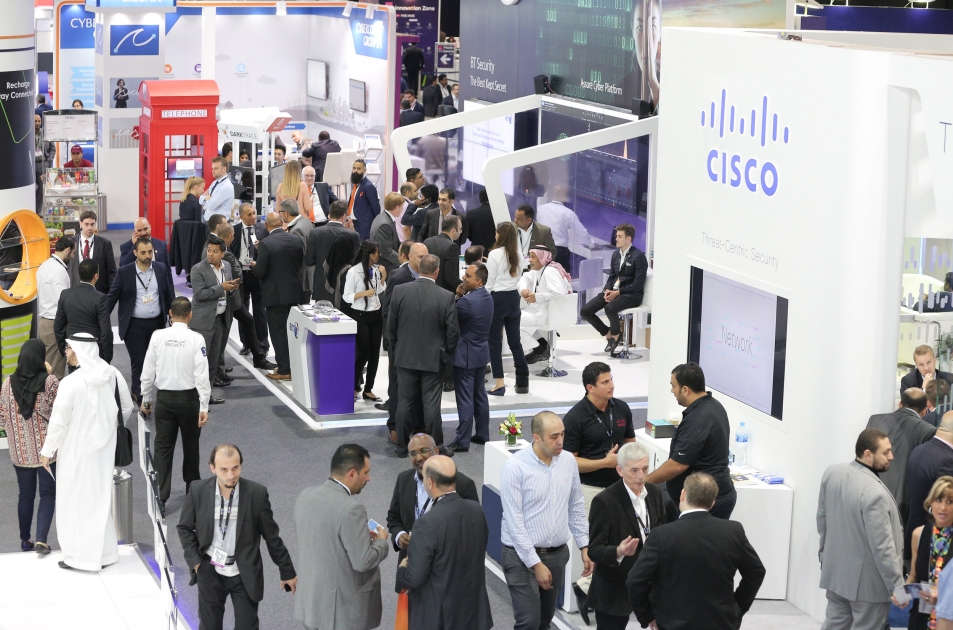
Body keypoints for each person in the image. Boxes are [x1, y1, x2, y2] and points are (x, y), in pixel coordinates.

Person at [40, 332, 135, 571]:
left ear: (80, 350)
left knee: (74, 501)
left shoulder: (70, 383)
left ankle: (79, 557)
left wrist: (47, 450)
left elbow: (59, 422)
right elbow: (126, 408)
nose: (66, 352)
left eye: (69, 348)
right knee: (99, 500)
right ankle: (105, 554)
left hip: (75, 452)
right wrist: (107, 431)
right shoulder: (113, 375)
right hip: (104, 451)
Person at [178, 444, 297, 629]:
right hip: (210, 570)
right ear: (212, 468)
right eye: (224, 469)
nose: (231, 475)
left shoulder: (256, 494)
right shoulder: (197, 490)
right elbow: (184, 527)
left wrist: (287, 570)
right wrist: (195, 562)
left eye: (235, 468)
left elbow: (272, 537)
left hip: (244, 573)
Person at [627, 473, 765, 630]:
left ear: (683, 494)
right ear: (713, 501)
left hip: (672, 622)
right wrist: (738, 608)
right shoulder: (734, 531)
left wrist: (647, 616)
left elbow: (635, 581)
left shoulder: (661, 535)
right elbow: (756, 572)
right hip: (721, 621)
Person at [500, 411, 592, 630]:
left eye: (562, 434)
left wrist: (585, 545)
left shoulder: (568, 461)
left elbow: (576, 505)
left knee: (544, 620)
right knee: (529, 622)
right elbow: (515, 522)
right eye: (554, 436)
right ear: (536, 437)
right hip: (520, 556)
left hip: (557, 555)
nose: (560, 441)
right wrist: (536, 564)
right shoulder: (515, 467)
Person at [818, 428, 912, 629]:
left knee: (835, 625)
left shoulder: (832, 473)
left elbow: (822, 523)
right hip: (869, 588)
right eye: (886, 452)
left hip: (835, 575)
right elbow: (883, 548)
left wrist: (824, 558)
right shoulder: (875, 493)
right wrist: (898, 588)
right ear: (868, 454)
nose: (891, 456)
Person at [294, 444, 389, 630]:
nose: (368, 478)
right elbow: (363, 561)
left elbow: (326, 538)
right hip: (341, 614)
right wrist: (381, 542)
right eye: (366, 472)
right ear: (352, 474)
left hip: (312, 604)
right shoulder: (352, 509)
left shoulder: (304, 496)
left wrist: (358, 536)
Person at [395, 455, 493, 630]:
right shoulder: (477, 510)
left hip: (441, 618)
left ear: (429, 483)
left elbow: (414, 577)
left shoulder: (426, 523)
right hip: (474, 613)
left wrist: (402, 570)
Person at [583, 442, 667, 629]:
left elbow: (662, 532)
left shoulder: (654, 493)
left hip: (649, 585)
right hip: (615, 589)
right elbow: (594, 550)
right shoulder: (604, 501)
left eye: (645, 469)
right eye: (634, 470)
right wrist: (618, 551)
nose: (641, 476)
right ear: (620, 470)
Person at [139, 297, 211, 511]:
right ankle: (192, 491)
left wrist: (146, 397)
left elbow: (148, 369)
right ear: (190, 315)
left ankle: (160, 497)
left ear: (170, 313)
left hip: (165, 400)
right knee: (191, 446)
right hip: (189, 400)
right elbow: (202, 375)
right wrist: (204, 405)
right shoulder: (196, 339)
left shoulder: (157, 336)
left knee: (162, 448)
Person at [386, 254, 459, 457]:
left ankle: (402, 447)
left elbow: (391, 327)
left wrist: (397, 350)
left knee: (404, 403)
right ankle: (436, 447)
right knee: (431, 405)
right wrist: (444, 355)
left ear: (419, 268)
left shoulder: (400, 291)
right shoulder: (446, 296)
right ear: (437, 271)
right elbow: (453, 333)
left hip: (405, 357)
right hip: (433, 360)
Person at [646, 363, 736, 518]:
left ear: (686, 390)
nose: (672, 391)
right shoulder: (714, 406)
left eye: (673, 386)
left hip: (703, 502)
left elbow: (677, 464)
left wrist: (645, 483)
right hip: (711, 495)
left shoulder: (698, 419)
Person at [0, 339, 59, 555]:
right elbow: (58, 414)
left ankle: (25, 540)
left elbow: (2, 418)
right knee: (48, 494)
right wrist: (48, 374)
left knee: (25, 495)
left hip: (20, 451)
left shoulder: (7, 383)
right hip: (47, 451)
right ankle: (42, 540)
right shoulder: (50, 382)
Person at [387, 433, 479, 560]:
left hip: (445, 563)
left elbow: (472, 530)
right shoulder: (403, 479)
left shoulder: (463, 485)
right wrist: (399, 535)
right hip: (410, 561)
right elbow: (393, 517)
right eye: (413, 453)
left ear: (436, 451)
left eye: (423, 450)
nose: (419, 457)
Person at [105, 238, 175, 401]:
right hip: (134, 325)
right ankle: (139, 394)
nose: (147, 256)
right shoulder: (125, 272)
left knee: (156, 361)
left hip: (157, 324)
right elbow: (112, 297)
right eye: (143, 252)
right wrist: (100, 318)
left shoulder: (160, 268)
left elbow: (168, 293)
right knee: (139, 361)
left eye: (150, 252)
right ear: (135, 253)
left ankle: (151, 391)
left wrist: (174, 313)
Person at [564, 362, 635, 505]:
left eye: (611, 380)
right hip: (589, 488)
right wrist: (604, 463)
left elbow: (631, 443)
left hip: (621, 484)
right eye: (605, 382)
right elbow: (568, 462)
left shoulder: (622, 408)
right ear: (590, 388)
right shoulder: (575, 418)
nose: (612, 385)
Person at [380, 242, 428, 435]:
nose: (424, 260)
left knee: (418, 385)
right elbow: (387, 312)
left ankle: (417, 423)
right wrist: (393, 341)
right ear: (409, 257)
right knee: (398, 385)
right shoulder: (399, 278)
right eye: (420, 257)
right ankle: (394, 426)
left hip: (421, 343)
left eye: (426, 257)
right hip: (400, 344)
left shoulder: (428, 276)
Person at [215, 222, 276, 372]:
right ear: (231, 235)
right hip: (227, 295)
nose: (253, 217)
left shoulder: (261, 229)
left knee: (252, 316)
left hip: (249, 281)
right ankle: (219, 368)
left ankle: (259, 353)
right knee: (229, 326)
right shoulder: (223, 251)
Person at [866, 388, 935, 521]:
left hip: (869, 494)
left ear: (900, 404)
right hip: (902, 504)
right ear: (925, 409)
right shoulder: (927, 430)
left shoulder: (874, 420)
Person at [579, 223, 647, 354]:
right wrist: (606, 291)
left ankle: (616, 335)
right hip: (615, 291)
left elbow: (638, 284)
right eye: (617, 236)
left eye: (620, 236)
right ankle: (607, 333)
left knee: (609, 308)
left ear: (628, 239)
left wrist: (618, 292)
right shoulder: (616, 254)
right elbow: (612, 276)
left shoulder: (639, 257)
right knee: (585, 311)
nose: (616, 239)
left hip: (632, 295)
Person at [253, 212, 304, 381]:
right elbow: (299, 264)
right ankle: (292, 366)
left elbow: (261, 271)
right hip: (295, 293)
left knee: (278, 333)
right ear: (282, 222)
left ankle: (284, 369)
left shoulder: (266, 244)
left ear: (266, 226)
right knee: (293, 332)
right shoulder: (296, 240)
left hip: (275, 297)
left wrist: (254, 265)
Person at [449, 264, 493, 452]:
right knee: (480, 395)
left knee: (465, 399)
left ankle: (462, 441)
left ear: (479, 281)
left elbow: (450, 315)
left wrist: (457, 297)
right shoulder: (488, 297)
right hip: (480, 354)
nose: (463, 278)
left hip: (465, 356)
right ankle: (482, 434)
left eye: (467, 275)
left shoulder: (467, 302)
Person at [189, 234, 238, 397]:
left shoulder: (226, 266)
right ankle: (195, 398)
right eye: (209, 250)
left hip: (221, 320)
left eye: (215, 251)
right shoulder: (197, 269)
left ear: (222, 253)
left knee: (213, 362)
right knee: (200, 363)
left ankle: (206, 396)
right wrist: (221, 288)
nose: (210, 254)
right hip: (203, 322)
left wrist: (232, 289)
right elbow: (199, 294)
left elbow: (227, 290)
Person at [486, 222, 529, 396]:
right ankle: (523, 381)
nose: (495, 235)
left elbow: (489, 282)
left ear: (500, 235)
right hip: (513, 299)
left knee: (494, 343)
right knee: (515, 343)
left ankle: (499, 383)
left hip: (497, 299)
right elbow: (518, 278)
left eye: (496, 232)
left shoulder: (494, 254)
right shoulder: (518, 254)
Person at [343, 240, 387, 403]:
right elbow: (346, 296)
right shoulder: (353, 272)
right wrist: (363, 294)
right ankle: (353, 385)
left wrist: (383, 277)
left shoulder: (375, 269)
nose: (379, 255)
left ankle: (369, 389)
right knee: (363, 353)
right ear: (370, 254)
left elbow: (379, 291)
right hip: (360, 315)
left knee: (375, 354)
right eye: (377, 252)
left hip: (376, 314)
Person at [907, 476, 953, 630]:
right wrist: (903, 595)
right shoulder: (919, 534)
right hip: (920, 616)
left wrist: (941, 597)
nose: (943, 507)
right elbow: (913, 576)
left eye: (950, 502)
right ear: (931, 503)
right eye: (938, 500)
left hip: (947, 619)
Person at [907, 413, 953, 562]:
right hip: (937, 545)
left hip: (915, 535)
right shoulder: (948, 460)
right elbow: (947, 499)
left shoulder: (919, 450)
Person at [518, 246, 572, 364]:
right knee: (514, 321)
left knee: (512, 322)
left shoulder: (550, 271)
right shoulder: (539, 270)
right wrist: (523, 289)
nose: (529, 260)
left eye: (533, 257)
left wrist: (537, 297)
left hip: (548, 312)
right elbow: (525, 277)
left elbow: (559, 293)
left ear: (542, 258)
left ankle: (540, 350)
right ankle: (542, 346)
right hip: (537, 310)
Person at [54, 259, 113, 363]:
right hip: (94, 353)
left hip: (74, 351)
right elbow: (106, 331)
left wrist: (65, 349)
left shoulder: (65, 295)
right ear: (96, 276)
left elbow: (58, 327)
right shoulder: (100, 298)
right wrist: (106, 357)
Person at [231, 203, 269, 356]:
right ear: (241, 216)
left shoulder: (263, 229)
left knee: (260, 311)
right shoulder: (234, 230)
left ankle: (263, 344)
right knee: (242, 310)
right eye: (249, 214)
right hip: (241, 276)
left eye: (254, 213)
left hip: (257, 274)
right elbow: (231, 253)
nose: (253, 217)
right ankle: (246, 343)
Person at [305, 201, 359, 302]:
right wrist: (352, 230)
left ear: (329, 215)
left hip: (321, 286)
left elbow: (309, 260)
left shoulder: (315, 232)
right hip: (344, 285)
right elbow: (356, 261)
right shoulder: (352, 235)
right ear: (344, 216)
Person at [37, 236, 74, 379]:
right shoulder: (59, 271)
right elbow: (62, 301)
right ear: (67, 250)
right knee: (55, 372)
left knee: (47, 367)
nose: (73, 256)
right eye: (73, 253)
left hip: (44, 322)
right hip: (55, 324)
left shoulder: (44, 265)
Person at [536, 184, 592, 270]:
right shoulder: (568, 213)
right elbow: (581, 232)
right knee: (560, 276)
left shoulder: (540, 209)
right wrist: (591, 244)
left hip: (541, 250)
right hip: (559, 252)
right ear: (563, 195)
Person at [68, 210, 116, 295]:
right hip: (75, 291)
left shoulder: (105, 244)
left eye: (92, 224)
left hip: (98, 292)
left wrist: (111, 295)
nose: (89, 228)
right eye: (86, 224)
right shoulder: (71, 242)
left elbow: (111, 272)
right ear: (80, 223)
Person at [279, 199, 314, 301]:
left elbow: (299, 254)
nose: (280, 215)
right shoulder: (306, 221)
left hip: (300, 278)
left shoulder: (297, 230)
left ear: (286, 213)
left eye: (281, 212)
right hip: (306, 276)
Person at [423, 214, 463, 292]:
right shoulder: (452, 247)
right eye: (460, 229)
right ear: (453, 230)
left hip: (426, 288)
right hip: (444, 291)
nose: (461, 231)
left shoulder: (427, 241)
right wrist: (464, 286)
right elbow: (450, 277)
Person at [347, 159, 381, 241]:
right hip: (353, 223)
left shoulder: (368, 186)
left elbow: (376, 208)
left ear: (364, 170)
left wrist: (373, 224)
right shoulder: (355, 184)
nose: (355, 171)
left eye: (358, 169)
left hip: (364, 226)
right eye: (354, 168)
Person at [201, 157, 235, 222]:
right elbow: (200, 200)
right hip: (208, 221)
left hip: (219, 224)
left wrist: (206, 199)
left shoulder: (226, 186)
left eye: (216, 168)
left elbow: (211, 205)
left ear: (224, 169)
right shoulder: (214, 183)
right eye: (212, 168)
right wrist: (209, 198)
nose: (213, 171)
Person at [34, 114, 55, 213]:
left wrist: (48, 161)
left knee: (41, 189)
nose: (37, 123)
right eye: (35, 121)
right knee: (32, 188)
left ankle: (38, 211)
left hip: (43, 164)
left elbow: (53, 149)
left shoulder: (46, 133)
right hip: (32, 165)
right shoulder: (28, 134)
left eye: (39, 121)